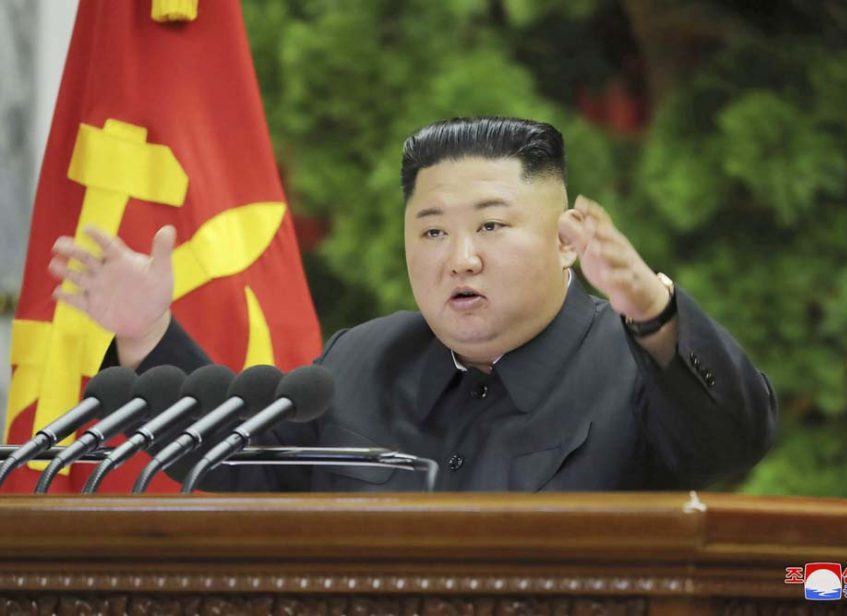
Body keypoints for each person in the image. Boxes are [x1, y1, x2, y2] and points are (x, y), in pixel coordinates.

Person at [49, 117, 777, 492]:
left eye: (491, 226)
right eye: (432, 231)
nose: (458, 257)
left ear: (564, 241)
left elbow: (732, 441)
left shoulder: (634, 365)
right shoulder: (364, 359)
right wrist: (148, 334)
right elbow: (248, 469)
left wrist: (653, 311)